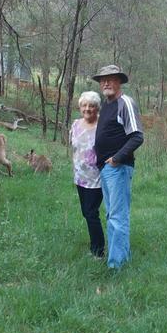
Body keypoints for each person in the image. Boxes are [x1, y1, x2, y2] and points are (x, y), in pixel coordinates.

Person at [90, 65, 143, 270]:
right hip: (106, 169)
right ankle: (120, 257)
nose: (106, 83)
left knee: (117, 216)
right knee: (111, 214)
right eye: (103, 80)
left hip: (118, 168)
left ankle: (116, 266)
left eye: (111, 79)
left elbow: (137, 135)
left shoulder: (125, 102)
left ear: (119, 81)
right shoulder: (107, 104)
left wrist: (117, 159)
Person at [70, 91, 104, 258]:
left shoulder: (102, 127)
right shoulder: (75, 124)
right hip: (79, 177)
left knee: (91, 213)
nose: (87, 108)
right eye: (84, 105)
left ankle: (98, 251)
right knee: (86, 212)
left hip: (96, 179)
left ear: (97, 108)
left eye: (91, 106)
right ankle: (96, 244)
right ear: (80, 106)